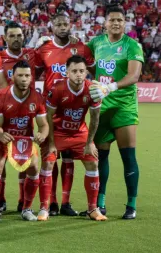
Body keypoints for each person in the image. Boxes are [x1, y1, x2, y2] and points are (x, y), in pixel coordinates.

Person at [87, 5, 144, 219]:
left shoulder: (132, 45)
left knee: (128, 156)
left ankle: (131, 205)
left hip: (124, 106)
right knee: (100, 156)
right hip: (101, 107)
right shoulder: (96, 43)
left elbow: (134, 75)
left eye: (120, 20)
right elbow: (81, 58)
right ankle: (99, 204)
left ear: (125, 23)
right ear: (105, 23)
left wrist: (110, 87)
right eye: (112, 20)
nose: (116, 23)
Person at [35, 14, 95, 217]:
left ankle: (65, 202)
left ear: (71, 26)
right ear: (52, 26)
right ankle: (50, 203)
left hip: (74, 110)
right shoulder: (43, 49)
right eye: (58, 24)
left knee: (69, 158)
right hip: (50, 111)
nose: (62, 27)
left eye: (65, 24)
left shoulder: (82, 49)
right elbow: (32, 74)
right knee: (50, 158)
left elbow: (93, 72)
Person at [41, 55, 106, 221]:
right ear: (67, 72)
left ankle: (92, 208)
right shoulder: (57, 89)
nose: (79, 74)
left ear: (86, 73)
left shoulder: (92, 89)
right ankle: (44, 207)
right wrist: (51, 143)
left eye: (82, 71)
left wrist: (90, 142)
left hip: (79, 133)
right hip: (58, 132)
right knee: (48, 161)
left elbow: (95, 118)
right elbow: (48, 116)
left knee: (92, 161)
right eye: (75, 71)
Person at [0, 60, 48, 221]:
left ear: (31, 78)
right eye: (20, 75)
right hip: (4, 139)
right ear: (12, 76)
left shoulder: (37, 97)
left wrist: (42, 134)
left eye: (27, 75)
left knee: (34, 165)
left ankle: (27, 208)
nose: (24, 79)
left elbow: (44, 125)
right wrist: (0, 134)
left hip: (25, 140)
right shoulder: (2, 96)